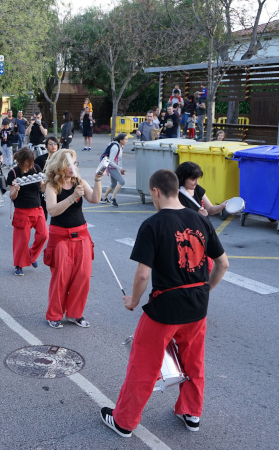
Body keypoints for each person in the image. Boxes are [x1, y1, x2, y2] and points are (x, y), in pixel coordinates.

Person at [100, 169, 229, 438]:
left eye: (151, 194)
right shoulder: (200, 220)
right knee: (194, 362)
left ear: (156, 191)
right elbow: (223, 263)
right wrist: (205, 290)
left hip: (165, 309)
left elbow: (143, 274)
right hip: (197, 307)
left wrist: (132, 301)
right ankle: (191, 413)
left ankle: (124, 421)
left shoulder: (153, 224)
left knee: (143, 365)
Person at [43, 149, 101, 329]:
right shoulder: (52, 185)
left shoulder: (79, 182)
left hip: (81, 234)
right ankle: (54, 315)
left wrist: (97, 179)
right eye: (69, 163)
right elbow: (52, 210)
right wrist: (73, 197)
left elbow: (95, 199)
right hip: (60, 236)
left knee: (82, 276)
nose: (72, 167)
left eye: (75, 163)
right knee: (61, 277)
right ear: (60, 165)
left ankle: (75, 314)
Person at [6, 148, 49, 276]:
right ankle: (19, 265)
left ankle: (31, 254)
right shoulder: (13, 173)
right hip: (21, 210)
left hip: (37, 208)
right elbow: (12, 196)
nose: (30, 164)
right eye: (28, 162)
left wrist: (45, 182)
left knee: (44, 235)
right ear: (21, 161)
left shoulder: (36, 168)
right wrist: (16, 189)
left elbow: (42, 188)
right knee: (22, 240)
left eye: (31, 161)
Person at [101, 133, 129, 207]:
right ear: (121, 140)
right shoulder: (115, 147)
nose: (127, 141)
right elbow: (110, 161)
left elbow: (119, 159)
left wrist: (121, 169)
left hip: (115, 167)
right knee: (122, 181)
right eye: (126, 139)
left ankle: (104, 198)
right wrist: (119, 168)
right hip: (111, 167)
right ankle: (112, 198)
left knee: (113, 184)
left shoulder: (121, 147)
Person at [35, 136, 59, 220]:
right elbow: (36, 173)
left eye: (55, 144)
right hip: (45, 186)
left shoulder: (61, 158)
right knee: (43, 209)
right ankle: (43, 228)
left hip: (58, 185)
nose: (53, 146)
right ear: (46, 146)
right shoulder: (40, 159)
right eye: (51, 144)